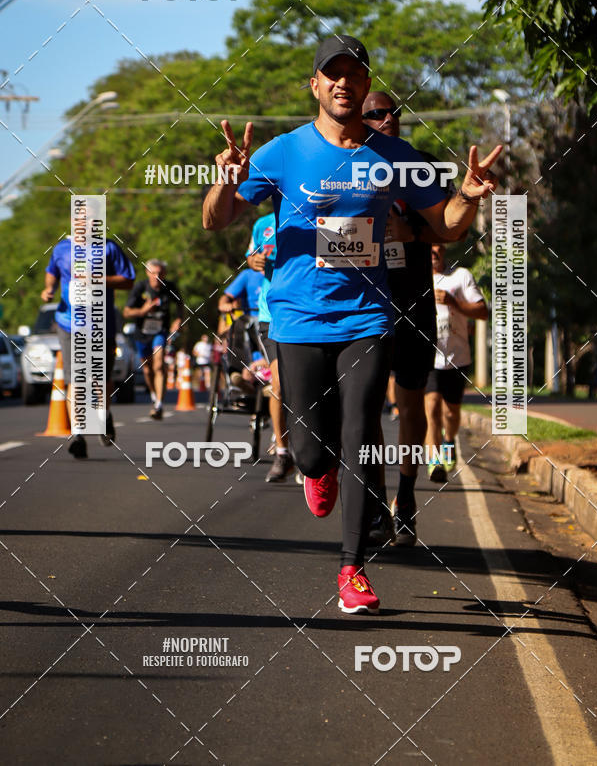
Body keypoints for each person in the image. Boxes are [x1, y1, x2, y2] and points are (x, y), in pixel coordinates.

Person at [203, 34, 501, 615]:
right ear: (315, 86)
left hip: (367, 317)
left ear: (365, 88)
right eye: (332, 74)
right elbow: (218, 220)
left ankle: (352, 568)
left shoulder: (396, 156)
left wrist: (468, 194)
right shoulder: (284, 152)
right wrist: (227, 177)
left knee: (364, 429)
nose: (344, 83)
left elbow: (446, 226)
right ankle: (316, 470)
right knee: (315, 452)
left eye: (354, 75)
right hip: (297, 318)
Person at [362, 91, 459, 547]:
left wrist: (412, 231)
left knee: (411, 403)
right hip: (362, 303)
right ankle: (378, 501)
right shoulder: (345, 163)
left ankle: (405, 497)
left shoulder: (424, 165)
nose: (389, 118)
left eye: (394, 111)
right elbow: (318, 231)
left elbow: (451, 229)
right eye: (377, 113)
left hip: (414, 299)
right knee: (364, 411)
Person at [42, 233, 135, 458]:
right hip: (68, 323)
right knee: (75, 377)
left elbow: (128, 280)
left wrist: (97, 279)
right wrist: (50, 289)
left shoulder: (109, 248)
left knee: (100, 378)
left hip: (101, 324)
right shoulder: (62, 248)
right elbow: (51, 273)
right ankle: (77, 434)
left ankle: (103, 417)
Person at [424, 243, 489, 479]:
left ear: (444, 249)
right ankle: (434, 461)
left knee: (451, 413)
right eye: (428, 245)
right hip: (428, 357)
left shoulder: (460, 276)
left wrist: (454, 302)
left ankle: (449, 440)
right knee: (431, 407)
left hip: (457, 358)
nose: (433, 251)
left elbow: (482, 311)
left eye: (437, 246)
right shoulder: (416, 279)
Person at [246, 211, 295, 483]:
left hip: (307, 314)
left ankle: (316, 448)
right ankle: (283, 451)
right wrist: (253, 260)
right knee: (279, 385)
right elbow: (250, 256)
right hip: (272, 315)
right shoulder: (262, 223)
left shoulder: (313, 212)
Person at [123, 259, 184, 419]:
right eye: (154, 273)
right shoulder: (140, 288)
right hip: (142, 334)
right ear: (148, 273)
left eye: (160, 273)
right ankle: (153, 396)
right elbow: (127, 312)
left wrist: (178, 320)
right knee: (148, 369)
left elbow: (180, 304)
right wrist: (142, 311)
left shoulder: (169, 287)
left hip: (160, 331)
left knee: (158, 365)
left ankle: (159, 405)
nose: (157, 277)